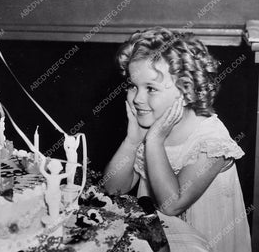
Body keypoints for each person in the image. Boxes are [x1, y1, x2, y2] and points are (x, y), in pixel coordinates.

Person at [103, 27, 251, 252]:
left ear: (186, 91)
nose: (137, 98)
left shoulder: (211, 140)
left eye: (151, 88)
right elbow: (113, 189)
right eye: (133, 86)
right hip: (160, 238)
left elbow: (172, 205)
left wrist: (154, 142)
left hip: (206, 239)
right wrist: (132, 141)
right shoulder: (150, 123)